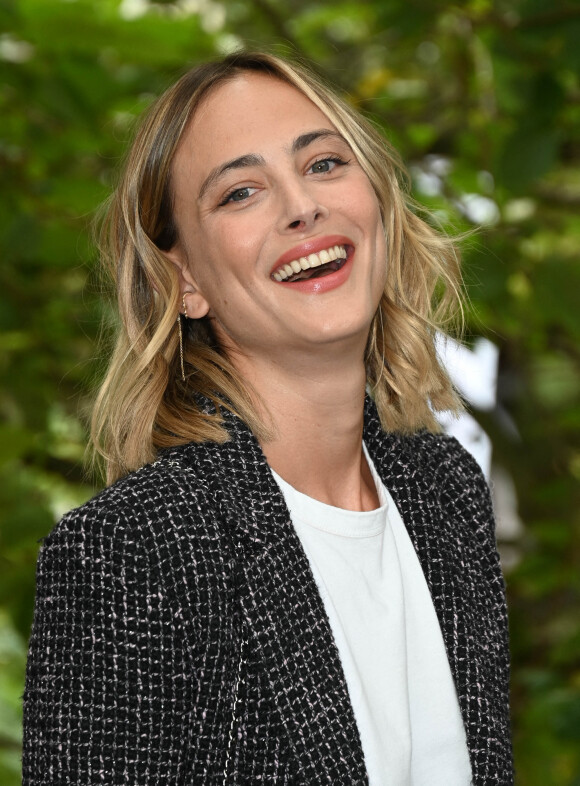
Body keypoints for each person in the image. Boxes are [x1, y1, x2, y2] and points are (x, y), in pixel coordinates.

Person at [22, 51, 513, 785]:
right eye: (241, 192)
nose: (301, 206)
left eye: (322, 163)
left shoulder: (447, 490)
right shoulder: (130, 550)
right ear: (184, 281)